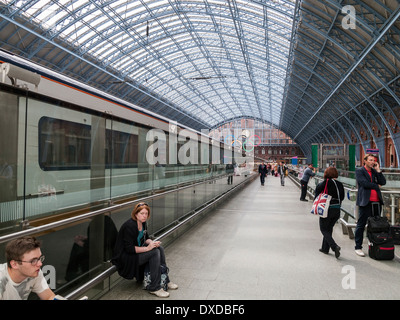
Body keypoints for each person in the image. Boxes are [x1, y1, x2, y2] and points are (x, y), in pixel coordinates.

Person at [111, 202, 178, 298]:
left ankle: (165, 280)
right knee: (154, 253)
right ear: (135, 214)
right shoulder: (129, 226)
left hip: (136, 253)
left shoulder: (143, 223)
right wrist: (147, 248)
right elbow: (129, 249)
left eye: (146, 213)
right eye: (142, 213)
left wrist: (152, 243)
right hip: (126, 257)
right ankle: (154, 287)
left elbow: (146, 238)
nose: (144, 216)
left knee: (159, 248)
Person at [354, 154, 386, 257]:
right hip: (365, 202)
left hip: (377, 202)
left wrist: (378, 171)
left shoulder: (374, 172)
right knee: (361, 224)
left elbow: (383, 182)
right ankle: (358, 247)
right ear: (365, 161)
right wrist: (376, 185)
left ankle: (374, 244)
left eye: (374, 161)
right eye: (371, 160)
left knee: (376, 225)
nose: (372, 162)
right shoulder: (360, 171)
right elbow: (364, 183)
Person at [314, 167, 345, 258]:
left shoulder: (325, 183)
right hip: (337, 210)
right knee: (329, 229)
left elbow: (317, 193)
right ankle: (325, 248)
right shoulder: (340, 184)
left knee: (323, 229)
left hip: (327, 209)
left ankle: (334, 246)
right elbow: (342, 197)